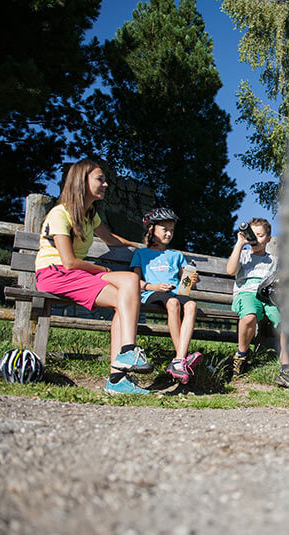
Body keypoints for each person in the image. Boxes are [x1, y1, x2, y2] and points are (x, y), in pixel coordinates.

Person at [35, 158, 153, 395]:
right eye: (100, 179)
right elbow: (68, 261)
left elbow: (110, 239)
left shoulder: (90, 215)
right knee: (124, 293)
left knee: (130, 284)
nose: (106, 184)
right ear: (82, 181)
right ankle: (126, 357)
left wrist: (139, 246)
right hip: (55, 273)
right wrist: (103, 271)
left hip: (76, 274)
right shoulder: (60, 214)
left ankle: (120, 372)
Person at [130, 208, 203, 385]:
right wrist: (153, 286)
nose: (169, 233)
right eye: (165, 229)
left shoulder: (176, 255)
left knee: (191, 305)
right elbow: (135, 281)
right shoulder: (141, 254)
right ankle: (183, 358)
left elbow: (185, 281)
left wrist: (191, 279)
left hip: (175, 293)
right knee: (172, 303)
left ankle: (178, 360)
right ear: (151, 229)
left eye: (171, 230)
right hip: (152, 293)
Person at [225, 217, 289, 387]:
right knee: (249, 317)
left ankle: (286, 369)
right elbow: (230, 270)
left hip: (268, 298)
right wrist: (240, 244)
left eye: (260, 236)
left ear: (268, 239)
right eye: (251, 235)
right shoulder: (244, 255)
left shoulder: (274, 261)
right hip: (246, 295)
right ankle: (241, 355)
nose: (255, 239)